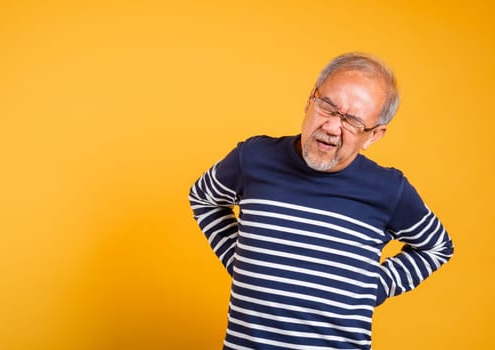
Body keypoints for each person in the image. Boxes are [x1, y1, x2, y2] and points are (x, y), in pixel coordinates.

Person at [188, 52, 454, 350]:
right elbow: (203, 198)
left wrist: (371, 287)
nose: (331, 127)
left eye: (352, 121)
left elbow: (438, 247)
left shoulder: (389, 190)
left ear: (374, 135)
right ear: (309, 101)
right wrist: (242, 261)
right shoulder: (253, 158)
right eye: (327, 107)